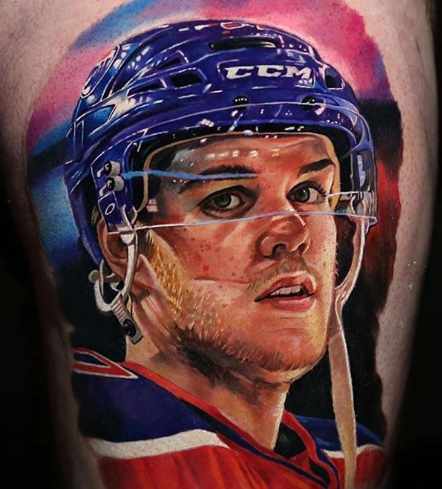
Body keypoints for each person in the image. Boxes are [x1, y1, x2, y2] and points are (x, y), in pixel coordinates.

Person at [66, 20, 386, 489]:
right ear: (121, 244)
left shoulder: (355, 457)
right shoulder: (97, 433)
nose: (292, 233)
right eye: (227, 199)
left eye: (308, 191)